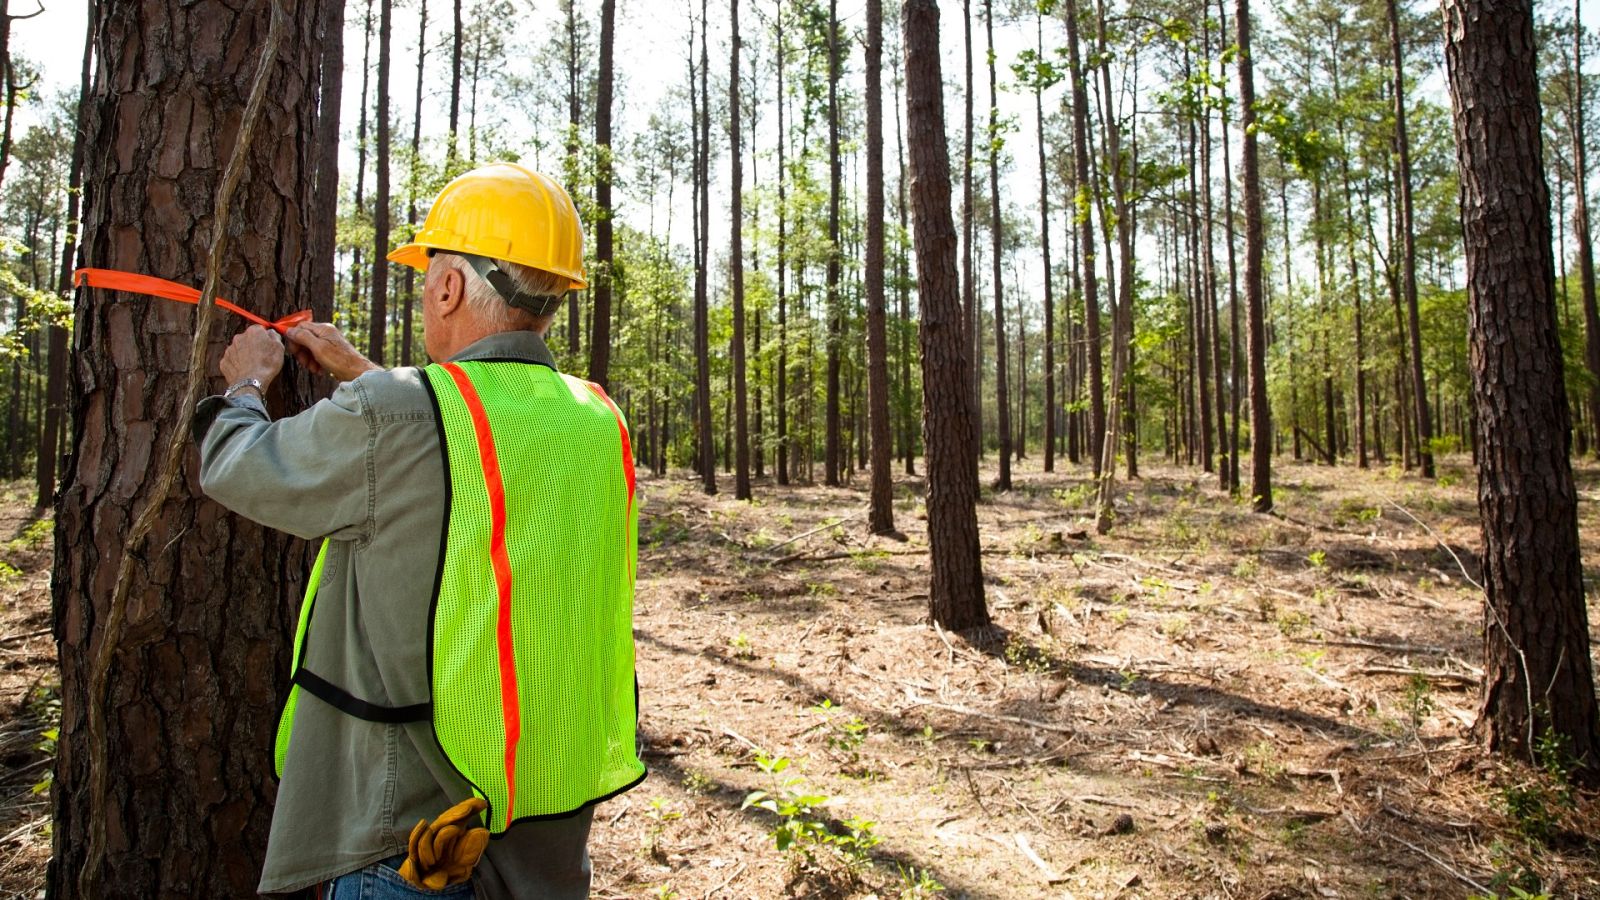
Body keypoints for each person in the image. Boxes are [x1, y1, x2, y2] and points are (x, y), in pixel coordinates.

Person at [194, 163, 645, 899]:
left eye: (427, 273)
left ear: (449, 287)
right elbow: (463, 448)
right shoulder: (595, 419)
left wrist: (246, 382)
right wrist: (358, 373)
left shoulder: (393, 413)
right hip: (543, 840)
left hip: (407, 844)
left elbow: (242, 465)